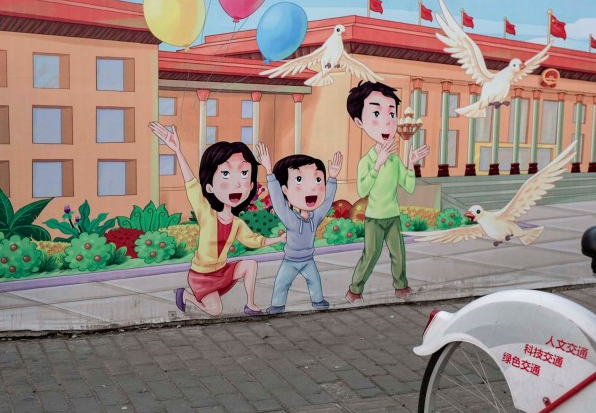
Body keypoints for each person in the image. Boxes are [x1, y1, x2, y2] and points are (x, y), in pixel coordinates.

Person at [149, 122, 285, 316]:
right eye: (226, 174)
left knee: (250, 264)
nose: (237, 183)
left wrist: (279, 239)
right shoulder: (206, 213)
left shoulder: (237, 223)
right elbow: (192, 186)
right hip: (201, 275)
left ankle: (251, 304)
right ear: (210, 187)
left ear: (251, 185)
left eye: (244, 173)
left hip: (222, 271)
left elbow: (254, 240)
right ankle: (186, 296)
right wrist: (177, 150)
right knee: (214, 311)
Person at [344, 81, 430, 303]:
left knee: (398, 253)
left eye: (392, 114)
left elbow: (408, 186)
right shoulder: (366, 161)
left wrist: (411, 164)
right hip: (374, 218)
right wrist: (377, 164)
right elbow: (362, 189)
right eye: (376, 113)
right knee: (371, 255)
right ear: (359, 122)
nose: (387, 121)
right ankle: (354, 290)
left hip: (393, 216)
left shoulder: (394, 160)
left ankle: (401, 287)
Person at [255, 143, 341, 314]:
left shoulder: (315, 217)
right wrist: (269, 172)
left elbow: (326, 202)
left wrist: (332, 178)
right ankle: (277, 305)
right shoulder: (290, 219)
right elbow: (278, 203)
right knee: (281, 283)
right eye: (300, 180)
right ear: (285, 190)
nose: (312, 187)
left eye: (318, 180)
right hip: (290, 260)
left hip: (308, 259)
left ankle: (318, 301)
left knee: (315, 282)